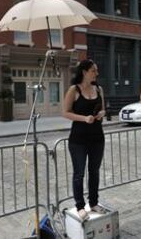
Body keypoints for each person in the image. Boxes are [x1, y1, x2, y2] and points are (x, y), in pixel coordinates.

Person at [62, 59, 107, 221]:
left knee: (94, 172)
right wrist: (83, 118)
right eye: (94, 70)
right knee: (79, 174)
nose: (97, 73)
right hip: (78, 140)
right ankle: (80, 206)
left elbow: (103, 109)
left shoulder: (99, 89)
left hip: (97, 138)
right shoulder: (74, 90)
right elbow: (65, 113)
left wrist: (102, 113)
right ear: (84, 72)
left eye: (96, 70)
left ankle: (94, 202)